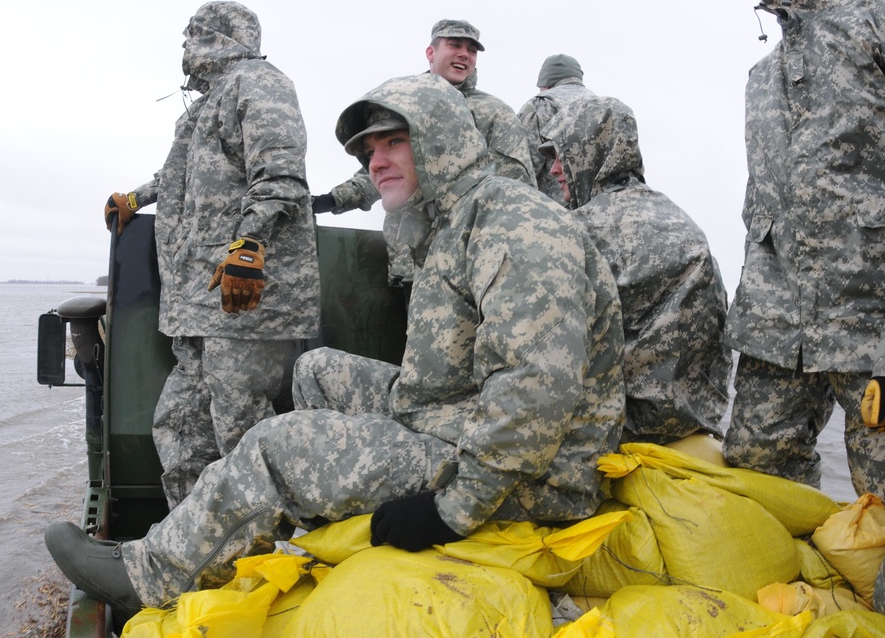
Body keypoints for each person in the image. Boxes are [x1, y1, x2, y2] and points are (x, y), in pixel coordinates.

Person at [46, 72, 626, 621]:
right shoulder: (453, 219)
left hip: (534, 478)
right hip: (458, 416)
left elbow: (536, 389)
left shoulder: (516, 223)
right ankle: (299, 512)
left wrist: (452, 510)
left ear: (441, 141)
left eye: (395, 143)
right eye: (369, 150)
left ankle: (150, 576)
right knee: (316, 369)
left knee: (280, 444)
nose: (376, 161)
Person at [102, 1, 320, 510]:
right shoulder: (204, 106)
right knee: (179, 426)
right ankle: (193, 544)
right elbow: (175, 176)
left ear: (218, 36)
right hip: (199, 302)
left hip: (242, 303)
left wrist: (249, 247)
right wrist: (137, 198)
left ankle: (263, 554)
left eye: (191, 34)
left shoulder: (258, 82)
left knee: (241, 434)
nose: (183, 46)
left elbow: (281, 175)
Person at [722, 0, 885, 499]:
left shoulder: (874, 22)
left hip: (868, 312)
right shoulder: (760, 75)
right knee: (755, 474)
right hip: (777, 325)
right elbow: (759, 197)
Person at [539, 95, 732, 443]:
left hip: (618, 426)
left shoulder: (581, 229)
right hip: (695, 422)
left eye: (561, 155)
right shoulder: (681, 220)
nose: (553, 170)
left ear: (589, 152)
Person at [312, 19, 536, 283]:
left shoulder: (494, 113)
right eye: (454, 45)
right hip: (407, 263)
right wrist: (330, 200)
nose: (464, 54)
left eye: (472, 50)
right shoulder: (402, 104)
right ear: (431, 53)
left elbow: (515, 186)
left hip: (465, 261)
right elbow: (383, 171)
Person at [517, 54, 595, 206]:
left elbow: (522, 169)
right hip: (598, 211)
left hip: (553, 214)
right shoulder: (602, 106)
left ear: (545, 83)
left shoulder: (541, 104)